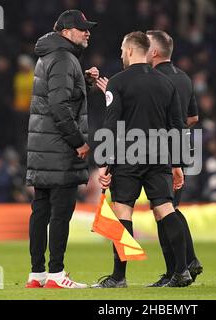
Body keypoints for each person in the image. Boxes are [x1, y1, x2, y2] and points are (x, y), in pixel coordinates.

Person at [92, 31, 192, 288]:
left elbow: (111, 126)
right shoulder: (166, 83)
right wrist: (177, 163)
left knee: (123, 210)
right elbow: (177, 126)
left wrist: (106, 163)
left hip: (128, 156)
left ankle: (119, 277)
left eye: (122, 50)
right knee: (165, 209)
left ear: (129, 51)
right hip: (160, 156)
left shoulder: (118, 82)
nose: (120, 54)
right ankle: (182, 271)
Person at [25, 9, 99, 289]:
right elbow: (59, 106)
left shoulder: (49, 56)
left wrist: (85, 82)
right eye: (82, 29)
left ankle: (37, 274)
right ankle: (56, 274)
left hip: (42, 147)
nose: (87, 32)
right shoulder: (64, 59)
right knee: (60, 213)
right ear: (66, 32)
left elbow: (59, 98)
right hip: (60, 149)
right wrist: (78, 141)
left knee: (40, 210)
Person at [145, 30, 203, 286]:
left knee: (162, 210)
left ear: (154, 52)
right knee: (169, 209)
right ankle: (188, 262)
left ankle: (176, 271)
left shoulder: (153, 78)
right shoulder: (185, 78)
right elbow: (192, 118)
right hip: (182, 149)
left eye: (144, 46)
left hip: (161, 153)